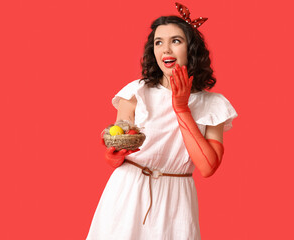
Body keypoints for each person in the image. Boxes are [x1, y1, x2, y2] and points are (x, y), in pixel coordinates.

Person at [86, 3, 238, 239]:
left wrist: (181, 108)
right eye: (158, 42)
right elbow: (118, 148)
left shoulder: (214, 104)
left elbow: (208, 167)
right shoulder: (136, 92)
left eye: (176, 41)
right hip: (128, 192)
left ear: (192, 48)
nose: (166, 49)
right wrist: (112, 155)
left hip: (177, 200)